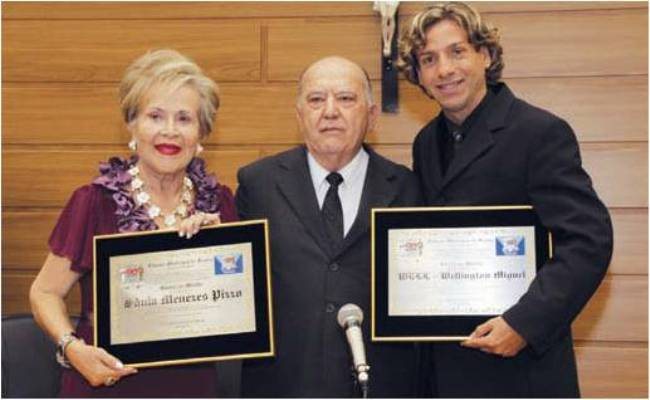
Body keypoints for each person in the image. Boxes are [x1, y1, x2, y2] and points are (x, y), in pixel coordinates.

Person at [397, 2, 613, 397]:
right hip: (445, 372)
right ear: (420, 76)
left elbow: (589, 240)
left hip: (521, 372)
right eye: (429, 59)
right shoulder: (425, 143)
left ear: (486, 54)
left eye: (457, 51)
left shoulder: (539, 132)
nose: (444, 69)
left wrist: (524, 324)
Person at [29, 49, 237, 397]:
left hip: (192, 384)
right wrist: (72, 349)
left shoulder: (221, 203)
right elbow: (45, 292)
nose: (169, 132)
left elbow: (235, 305)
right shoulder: (94, 201)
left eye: (184, 119)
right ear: (132, 124)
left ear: (202, 132)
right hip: (107, 380)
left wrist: (219, 246)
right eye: (155, 116)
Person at [236, 56, 421, 397]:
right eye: (316, 99)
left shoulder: (408, 187)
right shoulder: (257, 183)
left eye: (346, 99)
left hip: (383, 385)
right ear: (299, 116)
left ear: (372, 115)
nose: (330, 111)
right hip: (282, 385)